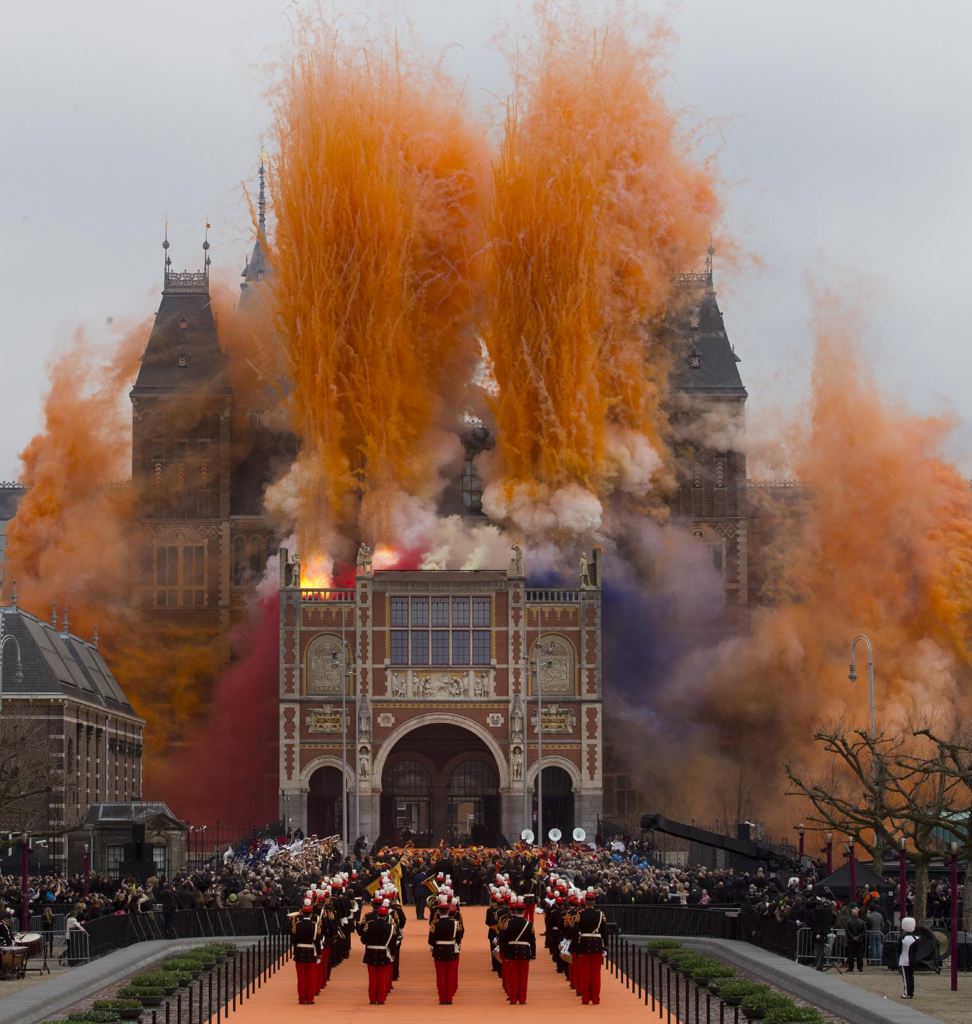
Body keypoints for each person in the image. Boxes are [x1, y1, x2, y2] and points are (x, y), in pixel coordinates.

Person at [572, 889, 606, 1005]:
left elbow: (575, 932)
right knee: (596, 974)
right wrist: (605, 947)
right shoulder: (601, 914)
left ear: (585, 902)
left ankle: (585, 998)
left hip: (584, 945)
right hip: (597, 945)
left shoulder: (580, 914)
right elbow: (604, 932)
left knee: (585, 973)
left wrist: (576, 947)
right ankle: (596, 998)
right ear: (594, 902)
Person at [498, 899, 535, 1005]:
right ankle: (522, 999)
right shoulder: (529, 924)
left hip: (511, 951)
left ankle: (513, 998)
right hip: (525, 952)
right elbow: (532, 940)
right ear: (524, 911)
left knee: (512, 976)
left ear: (514, 910)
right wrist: (533, 954)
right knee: (523, 977)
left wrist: (504, 952)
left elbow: (502, 939)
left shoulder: (508, 923)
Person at [360, 903, 396, 1005]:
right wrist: (392, 954)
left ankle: (372, 999)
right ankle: (381, 999)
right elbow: (392, 943)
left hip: (370, 952)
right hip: (384, 953)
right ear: (386, 916)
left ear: (377, 915)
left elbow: (363, 940)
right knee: (382, 978)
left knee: (372, 978)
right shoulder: (390, 927)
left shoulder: (369, 924)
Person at [429, 899, 463, 1004]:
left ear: (439, 912)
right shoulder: (455, 923)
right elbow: (459, 937)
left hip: (439, 951)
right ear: (448, 911)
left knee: (440, 976)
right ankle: (449, 998)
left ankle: (442, 998)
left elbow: (430, 941)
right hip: (451, 950)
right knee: (450, 975)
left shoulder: (434, 924)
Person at [291, 900, 319, 1005]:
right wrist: (319, 954)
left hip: (299, 952)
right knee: (311, 977)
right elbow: (317, 941)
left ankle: (302, 999)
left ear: (302, 913)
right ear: (311, 914)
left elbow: (293, 941)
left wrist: (295, 950)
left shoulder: (297, 925)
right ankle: (310, 999)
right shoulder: (315, 925)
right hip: (311, 952)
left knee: (301, 977)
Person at [898, 916, 917, 999]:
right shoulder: (916, 938)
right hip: (913, 959)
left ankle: (907, 993)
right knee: (911, 977)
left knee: (905, 978)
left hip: (904, 959)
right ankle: (911, 992)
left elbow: (898, 950)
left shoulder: (902, 938)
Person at [845, 907, 866, 972]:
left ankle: (851, 968)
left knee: (851, 955)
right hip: (859, 941)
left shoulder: (848, 921)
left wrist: (852, 937)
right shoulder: (861, 921)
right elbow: (864, 931)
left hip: (851, 941)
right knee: (859, 956)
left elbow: (847, 931)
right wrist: (859, 937)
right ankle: (860, 968)